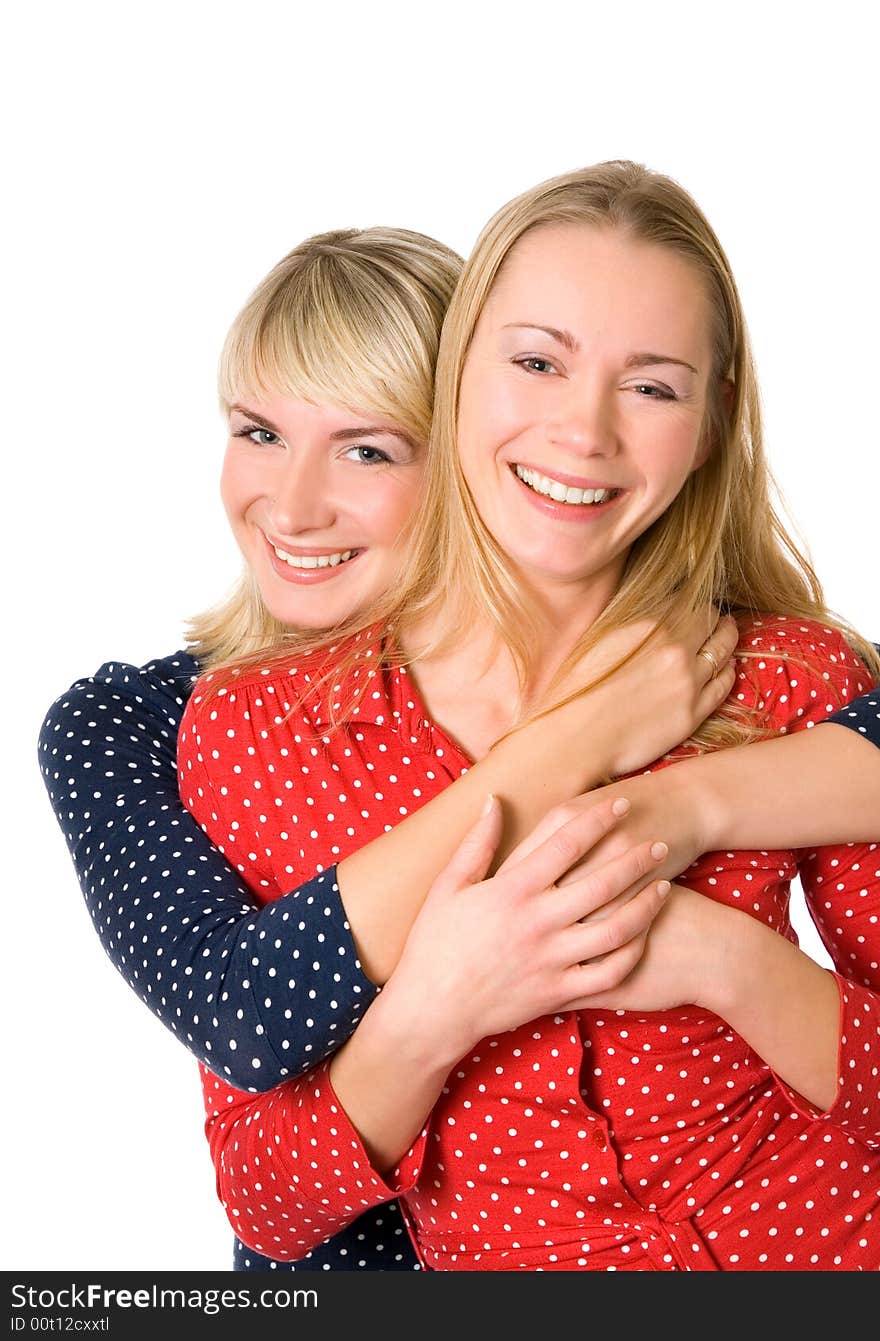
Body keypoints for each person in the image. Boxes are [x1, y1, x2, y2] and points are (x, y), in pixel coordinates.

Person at [177, 160, 880, 1271]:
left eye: (651, 386)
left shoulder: (790, 679)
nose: (582, 431)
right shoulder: (262, 729)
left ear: (708, 424)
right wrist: (442, 1000)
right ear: (456, 375)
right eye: (537, 362)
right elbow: (266, 1205)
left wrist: (726, 962)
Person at [37, 221, 743, 1272]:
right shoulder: (141, 726)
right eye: (259, 431)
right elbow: (243, 1016)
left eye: (368, 448)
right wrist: (575, 744)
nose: (291, 503)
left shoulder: (674, 666)